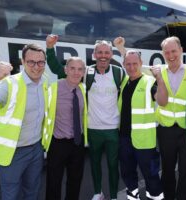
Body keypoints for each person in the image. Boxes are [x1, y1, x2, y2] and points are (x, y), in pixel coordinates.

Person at [114, 36, 186, 200]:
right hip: (165, 130)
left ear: (181, 51)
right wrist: (121, 49)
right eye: (167, 52)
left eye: (174, 51)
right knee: (167, 170)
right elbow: (135, 66)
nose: (171, 55)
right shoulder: (158, 70)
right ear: (163, 54)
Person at [46, 34, 126, 200]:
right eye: (100, 52)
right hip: (92, 129)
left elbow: (137, 72)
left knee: (112, 165)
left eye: (106, 52)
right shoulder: (86, 72)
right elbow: (58, 69)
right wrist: (50, 49)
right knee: (94, 165)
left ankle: (113, 196)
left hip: (112, 129)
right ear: (94, 55)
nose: (103, 56)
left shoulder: (119, 72)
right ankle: (98, 193)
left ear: (111, 55)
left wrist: (123, 49)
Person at [0, 44, 48, 200]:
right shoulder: (9, 84)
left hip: (36, 148)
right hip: (14, 152)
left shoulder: (45, 83)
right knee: (11, 194)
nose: (36, 67)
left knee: (32, 190)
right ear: (23, 62)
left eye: (40, 62)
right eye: (31, 62)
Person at [118, 50, 167, 200]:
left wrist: (159, 79)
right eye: (128, 64)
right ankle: (133, 196)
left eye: (135, 64)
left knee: (151, 174)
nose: (131, 67)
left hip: (145, 141)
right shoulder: (125, 80)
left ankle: (156, 197)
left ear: (141, 63)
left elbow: (162, 101)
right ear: (123, 65)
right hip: (125, 138)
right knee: (127, 172)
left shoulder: (149, 81)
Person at [43, 57, 88, 200]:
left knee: (75, 181)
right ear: (65, 70)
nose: (76, 72)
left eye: (80, 69)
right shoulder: (53, 88)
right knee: (53, 183)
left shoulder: (83, 88)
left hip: (77, 143)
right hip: (58, 144)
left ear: (84, 72)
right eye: (72, 68)